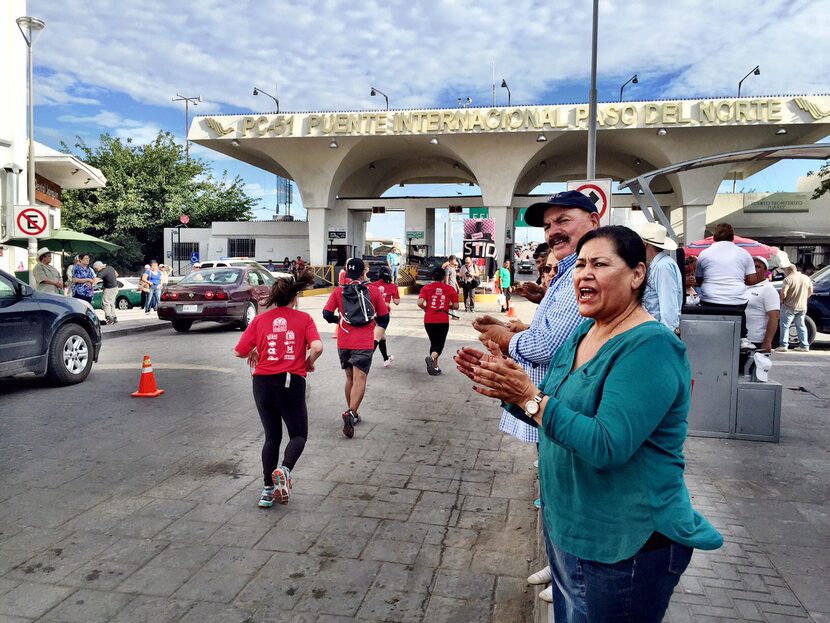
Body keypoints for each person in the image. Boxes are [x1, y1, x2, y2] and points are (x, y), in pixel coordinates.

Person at [456, 226, 723, 622]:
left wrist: (529, 396)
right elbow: (550, 407)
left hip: (623, 545)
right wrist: (508, 390)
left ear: (637, 274)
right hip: (569, 529)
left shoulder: (651, 347)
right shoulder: (584, 330)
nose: (584, 274)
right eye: (580, 265)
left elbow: (606, 444)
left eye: (600, 264)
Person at [470, 190, 600, 602]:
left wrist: (508, 340)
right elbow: (552, 334)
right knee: (552, 483)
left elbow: (551, 345)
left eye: (563, 220)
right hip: (548, 401)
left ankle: (572, 575)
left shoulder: (580, 276)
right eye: (547, 225)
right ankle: (560, 560)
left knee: (566, 486)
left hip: (564, 401)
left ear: (594, 222)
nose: (552, 231)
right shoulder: (565, 272)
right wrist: (515, 332)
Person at [234, 270, 323, 508]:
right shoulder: (303, 319)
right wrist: (309, 362)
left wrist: (253, 351)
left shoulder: (261, 320)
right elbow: (317, 346)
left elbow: (238, 351)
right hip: (289, 381)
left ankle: (266, 491)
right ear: (294, 298)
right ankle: (284, 470)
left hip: (262, 382)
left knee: (272, 437)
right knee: (299, 435)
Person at [322, 257, 389, 438]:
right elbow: (384, 317)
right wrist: (378, 331)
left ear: (346, 271)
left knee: (349, 377)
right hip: (364, 341)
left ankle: (354, 414)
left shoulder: (338, 291)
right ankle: (351, 412)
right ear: (363, 272)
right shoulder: (373, 291)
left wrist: (339, 320)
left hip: (344, 340)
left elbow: (326, 314)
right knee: (360, 379)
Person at [695, 223, 761, 346]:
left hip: (710, 300)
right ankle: (742, 337)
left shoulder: (704, 253)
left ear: (714, 237)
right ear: (732, 237)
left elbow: (698, 280)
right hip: (736, 302)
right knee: (740, 307)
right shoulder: (744, 253)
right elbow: (752, 280)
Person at [635, 222, 684, 332]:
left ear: (645, 244)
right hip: (656, 329)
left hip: (659, 331)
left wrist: (665, 335)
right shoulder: (661, 265)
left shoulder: (663, 266)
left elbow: (669, 307)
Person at [418, 266, 459, 376]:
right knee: (439, 345)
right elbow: (456, 306)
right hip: (442, 320)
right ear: (444, 277)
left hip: (429, 320)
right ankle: (431, 358)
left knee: (434, 343)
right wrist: (447, 305)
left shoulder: (426, 288)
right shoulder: (450, 289)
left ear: (433, 276)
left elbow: (419, 302)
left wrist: (425, 308)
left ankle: (435, 368)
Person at [776, 255, 813, 353]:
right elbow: (811, 291)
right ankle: (804, 345)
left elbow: (783, 293)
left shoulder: (788, 279)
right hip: (802, 306)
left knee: (784, 326)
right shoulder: (806, 278)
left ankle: (783, 345)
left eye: (785, 271)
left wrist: (782, 300)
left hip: (789, 306)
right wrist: (804, 298)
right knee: (801, 325)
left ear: (788, 270)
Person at [745, 257, 780, 353]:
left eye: (758, 267)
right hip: (740, 338)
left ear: (765, 271)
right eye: (752, 266)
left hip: (756, 339)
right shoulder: (743, 287)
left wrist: (767, 341)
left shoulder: (768, 290)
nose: (754, 269)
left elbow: (774, 317)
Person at [370, 265, 400, 367]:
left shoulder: (372, 285)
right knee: (376, 338)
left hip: (373, 315)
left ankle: (386, 359)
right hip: (383, 315)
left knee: (382, 337)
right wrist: (386, 301)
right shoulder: (393, 286)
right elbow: (397, 302)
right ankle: (365, 360)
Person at [93, 260, 120, 324]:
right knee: (111, 303)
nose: (96, 270)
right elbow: (116, 274)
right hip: (115, 287)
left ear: (97, 268)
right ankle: (114, 317)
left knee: (105, 303)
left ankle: (109, 318)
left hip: (109, 289)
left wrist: (90, 285)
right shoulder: (110, 267)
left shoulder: (101, 272)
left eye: (96, 269)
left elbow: (95, 281)